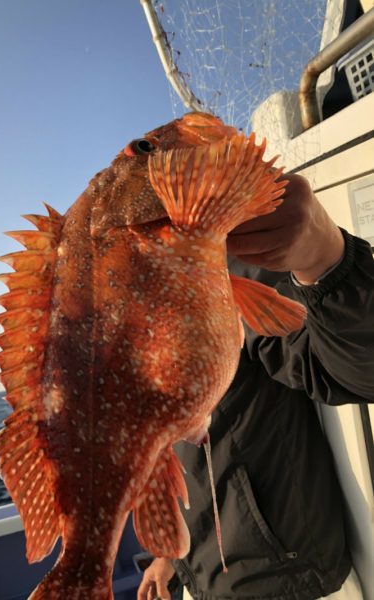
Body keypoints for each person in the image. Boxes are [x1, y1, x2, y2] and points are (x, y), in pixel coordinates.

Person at [137, 173, 374, 600]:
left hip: (286, 581)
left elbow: (355, 373)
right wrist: (170, 556)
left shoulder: (235, 271)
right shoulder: (146, 322)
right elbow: (177, 454)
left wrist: (324, 259)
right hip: (204, 580)